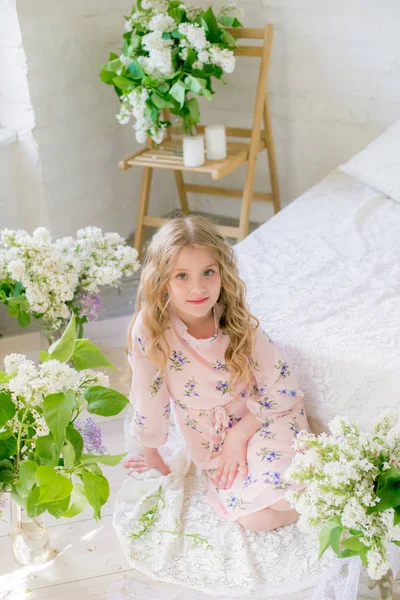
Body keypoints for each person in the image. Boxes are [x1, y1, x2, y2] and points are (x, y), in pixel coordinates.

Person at [123, 215, 310, 531]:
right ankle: (313, 499)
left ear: (222, 274)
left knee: (285, 497)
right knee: (255, 518)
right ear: (162, 279)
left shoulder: (237, 320)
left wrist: (240, 434)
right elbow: (148, 393)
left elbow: (283, 388)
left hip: (263, 419)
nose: (197, 288)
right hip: (212, 440)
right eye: (181, 275)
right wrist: (151, 451)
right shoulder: (151, 327)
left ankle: (321, 494)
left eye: (208, 273)